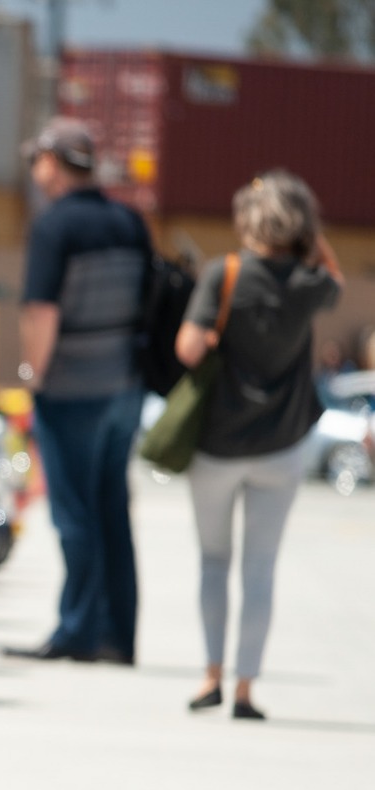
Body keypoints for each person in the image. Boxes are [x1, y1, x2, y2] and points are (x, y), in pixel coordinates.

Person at [176, 170, 341, 721]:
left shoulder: (223, 274)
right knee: (261, 568)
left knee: (213, 561)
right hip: (282, 446)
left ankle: (210, 676)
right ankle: (246, 689)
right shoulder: (310, 283)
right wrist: (311, 238)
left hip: (218, 445)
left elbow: (188, 351)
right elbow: (335, 276)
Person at [9, 117, 151, 664]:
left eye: (36, 160)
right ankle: (119, 634)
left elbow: (41, 312)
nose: (34, 171)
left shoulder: (54, 227)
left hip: (72, 389)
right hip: (126, 387)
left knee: (74, 514)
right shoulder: (130, 221)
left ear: (54, 162)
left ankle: (77, 632)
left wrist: (32, 375)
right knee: (112, 507)